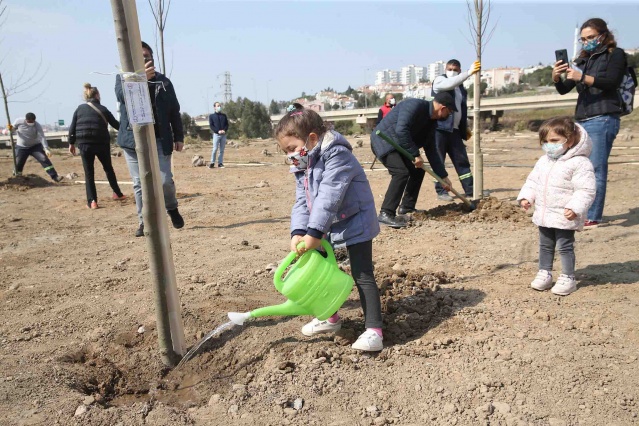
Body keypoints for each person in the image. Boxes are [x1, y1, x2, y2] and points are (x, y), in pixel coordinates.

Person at [274, 107, 384, 352]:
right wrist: (298, 232)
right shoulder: (303, 163)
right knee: (322, 272)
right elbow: (303, 201)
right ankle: (330, 318)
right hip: (328, 225)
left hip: (356, 219)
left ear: (312, 139)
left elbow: (329, 196)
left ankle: (374, 330)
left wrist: (313, 232)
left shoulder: (337, 155)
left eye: (292, 148)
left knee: (362, 273)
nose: (290, 156)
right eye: (286, 152)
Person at [552, 18, 626, 228]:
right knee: (579, 168)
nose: (586, 42)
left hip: (603, 116)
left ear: (603, 35)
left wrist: (582, 77)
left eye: (591, 37)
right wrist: (557, 77)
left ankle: (593, 216)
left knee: (596, 168)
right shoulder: (583, 59)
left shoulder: (615, 54)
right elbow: (564, 88)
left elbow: (611, 82)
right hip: (583, 118)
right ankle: (581, 211)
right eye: (583, 39)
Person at [517, 117, 595, 296]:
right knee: (545, 245)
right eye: (545, 142)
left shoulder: (580, 163)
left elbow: (586, 190)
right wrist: (527, 197)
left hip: (564, 214)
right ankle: (545, 272)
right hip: (544, 213)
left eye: (554, 141)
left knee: (565, 246)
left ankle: (568, 277)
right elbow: (533, 181)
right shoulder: (544, 161)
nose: (548, 145)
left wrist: (575, 207)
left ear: (570, 140)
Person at [115, 41, 185, 237]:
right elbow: (122, 97)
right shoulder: (123, 79)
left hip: (160, 139)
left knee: (164, 181)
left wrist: (178, 136)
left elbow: (174, 111)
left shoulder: (164, 82)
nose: (145, 60)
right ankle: (143, 221)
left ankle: (171, 208)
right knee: (139, 183)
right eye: (140, 57)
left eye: (147, 57)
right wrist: (139, 80)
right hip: (133, 141)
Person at [370, 92, 455, 228]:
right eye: (449, 112)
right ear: (443, 108)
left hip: (399, 145)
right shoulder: (414, 106)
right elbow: (401, 130)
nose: (448, 116)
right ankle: (386, 213)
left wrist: (443, 176)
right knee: (401, 172)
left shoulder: (431, 123)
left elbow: (431, 150)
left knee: (417, 171)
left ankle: (407, 208)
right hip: (384, 141)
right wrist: (415, 154)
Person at [68, 83, 125, 209]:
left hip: (84, 144)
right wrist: (127, 128)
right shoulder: (103, 109)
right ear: (97, 95)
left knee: (89, 173)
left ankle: (92, 201)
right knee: (108, 169)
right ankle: (117, 193)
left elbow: (72, 126)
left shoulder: (79, 109)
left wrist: (71, 143)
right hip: (101, 143)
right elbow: (116, 125)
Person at [431, 59, 481, 201]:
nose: (452, 71)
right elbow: (450, 83)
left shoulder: (461, 89)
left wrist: (464, 126)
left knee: (462, 161)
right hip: (439, 129)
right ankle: (441, 191)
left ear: (459, 70)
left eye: (455, 69)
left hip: (455, 131)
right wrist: (469, 73)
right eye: (449, 69)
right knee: (438, 160)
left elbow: (461, 109)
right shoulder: (440, 81)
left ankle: (470, 190)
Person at [9, 113, 63, 182]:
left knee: (44, 159)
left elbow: (42, 137)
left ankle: (55, 177)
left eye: (33, 121)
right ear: (26, 120)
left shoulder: (37, 125)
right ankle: (17, 178)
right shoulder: (19, 121)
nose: (31, 123)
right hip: (21, 147)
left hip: (35, 147)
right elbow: (12, 129)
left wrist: (46, 148)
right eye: (29, 122)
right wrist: (11, 129)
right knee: (18, 163)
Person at [208, 102, 229, 169]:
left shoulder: (224, 116)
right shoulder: (211, 116)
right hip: (216, 135)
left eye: (220, 105)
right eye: (218, 106)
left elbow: (227, 124)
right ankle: (212, 162)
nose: (219, 107)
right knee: (215, 149)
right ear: (214, 107)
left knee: (221, 150)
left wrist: (224, 130)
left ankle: (220, 163)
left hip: (223, 135)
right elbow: (211, 126)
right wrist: (217, 131)